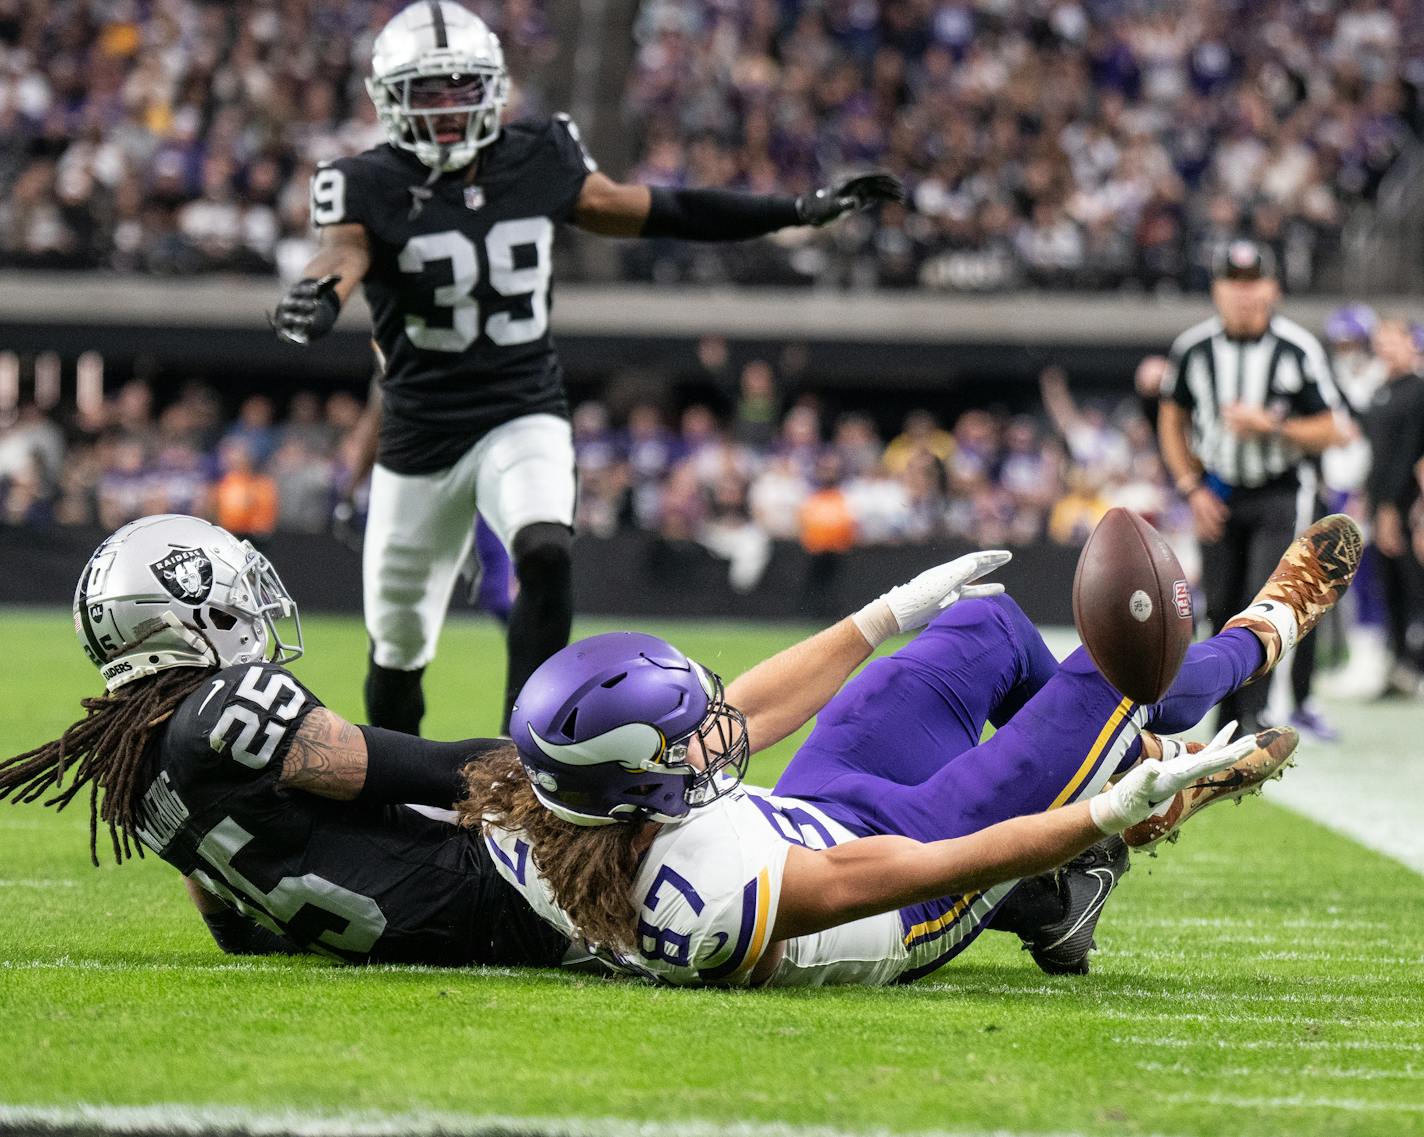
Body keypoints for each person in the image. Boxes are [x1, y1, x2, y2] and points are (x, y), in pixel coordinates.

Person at [269, 0, 903, 734]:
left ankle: (521, 757)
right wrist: (316, 297)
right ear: (389, 101)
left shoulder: (538, 155)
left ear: (493, 88)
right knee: (399, 647)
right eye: (426, 92)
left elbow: (660, 208)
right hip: (419, 432)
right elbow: (341, 253)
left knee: (543, 548)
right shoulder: (363, 181)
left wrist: (791, 209)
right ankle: (396, 795)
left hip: (521, 406)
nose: (445, 111)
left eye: (458, 89)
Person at [466, 515, 1363, 987]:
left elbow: (747, 714)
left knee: (989, 625)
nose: (709, 728)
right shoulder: (711, 897)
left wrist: (886, 613)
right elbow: (946, 861)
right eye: (681, 735)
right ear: (637, 792)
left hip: (819, 804)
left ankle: (1119, 762)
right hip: (906, 882)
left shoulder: (562, 805)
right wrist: (1104, 811)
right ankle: (1266, 629)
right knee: (1112, 669)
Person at [0, 514, 571, 968]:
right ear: (190, 610)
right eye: (237, 589)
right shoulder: (227, 703)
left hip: (414, 939)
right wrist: (562, 756)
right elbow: (433, 771)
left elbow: (234, 933)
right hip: (504, 895)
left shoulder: (142, 765)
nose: (252, 602)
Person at [1157, 239, 1349, 736]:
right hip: (1217, 492)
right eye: (1233, 283)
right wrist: (1190, 486)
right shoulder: (1195, 349)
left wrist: (1273, 428)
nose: (1243, 294)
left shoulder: (1296, 349)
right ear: (1217, 290)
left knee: (1263, 601)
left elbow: (1333, 427)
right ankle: (1223, 713)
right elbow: (1171, 417)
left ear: (1273, 289)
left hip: (1281, 490)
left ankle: (1254, 716)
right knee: (1218, 605)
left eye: (1253, 282)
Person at [1362, 316, 1424, 696]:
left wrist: (1391, 508)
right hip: (1381, 502)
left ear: (1410, 342)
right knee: (1392, 587)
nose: (1384, 347)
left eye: (1391, 339)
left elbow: (1408, 454)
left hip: (1408, 507)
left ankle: (1415, 662)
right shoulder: (1380, 391)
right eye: (1379, 341)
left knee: (1415, 585)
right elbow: (1377, 456)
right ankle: (1400, 664)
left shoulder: (1419, 389)